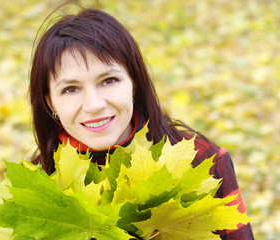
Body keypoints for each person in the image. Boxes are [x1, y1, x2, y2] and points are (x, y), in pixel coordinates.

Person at [29, 8, 254, 240]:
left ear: (134, 83)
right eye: (71, 89)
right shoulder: (38, 185)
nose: (94, 105)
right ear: (50, 102)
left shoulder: (202, 160)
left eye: (109, 80)